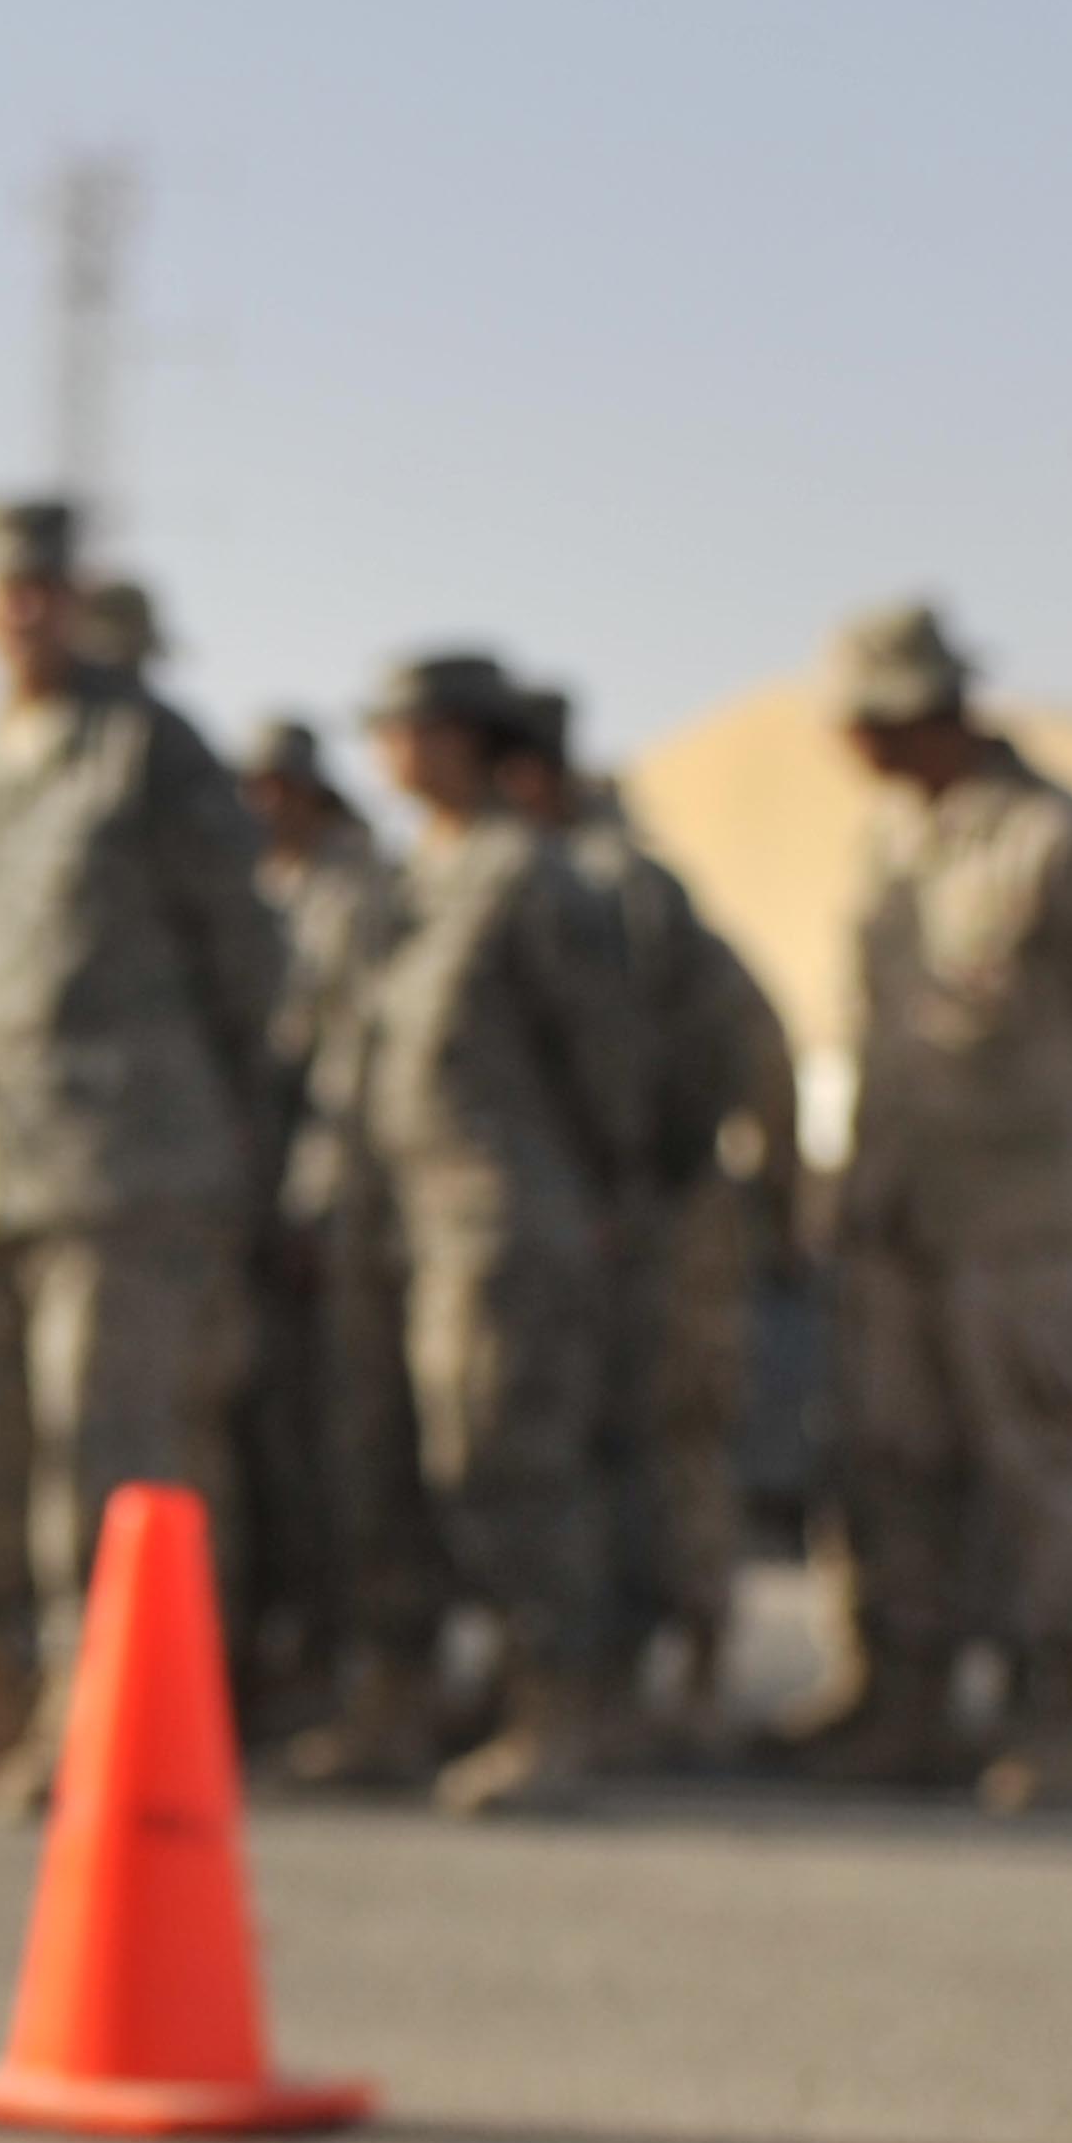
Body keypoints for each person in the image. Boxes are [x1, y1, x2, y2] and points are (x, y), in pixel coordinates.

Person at [0, 494, 284, 1802]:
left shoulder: (147, 752)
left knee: (102, 1444)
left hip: (124, 1164)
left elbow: (244, 959)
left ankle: (99, 1710)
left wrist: (220, 1123)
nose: (23, 609)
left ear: (76, 599)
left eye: (45, 586)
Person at [801, 600, 1072, 1807]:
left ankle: (1062, 1715)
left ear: (927, 714)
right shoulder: (890, 839)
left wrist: (1051, 1159)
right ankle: (903, 1699)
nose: (847, 744)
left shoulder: (1062, 843)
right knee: (896, 1457)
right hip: (901, 1210)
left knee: (1040, 1462)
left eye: (867, 720)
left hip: (1025, 1223)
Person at [344, 650, 643, 1813]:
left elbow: (607, 1066)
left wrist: (599, 1196)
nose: (389, 749)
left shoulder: (534, 881)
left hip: (502, 1219)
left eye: (410, 728)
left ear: (468, 741)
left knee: (508, 1463)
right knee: (385, 1466)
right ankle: (400, 1698)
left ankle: (554, 1708)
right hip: (399, 1221)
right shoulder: (411, 877)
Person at [512, 684, 799, 1758]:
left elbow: (748, 1043)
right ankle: (628, 1672)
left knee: (668, 1440)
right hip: (610, 1209)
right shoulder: (567, 878)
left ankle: (690, 1676)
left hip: (657, 1214)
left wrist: (747, 1195)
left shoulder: (619, 887)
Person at [238, 713, 396, 1742]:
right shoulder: (263, 892)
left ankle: (356, 1659)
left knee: (339, 1446)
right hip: (249, 1196)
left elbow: (345, 1065)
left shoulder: (353, 897)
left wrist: (311, 1197)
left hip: (328, 1206)